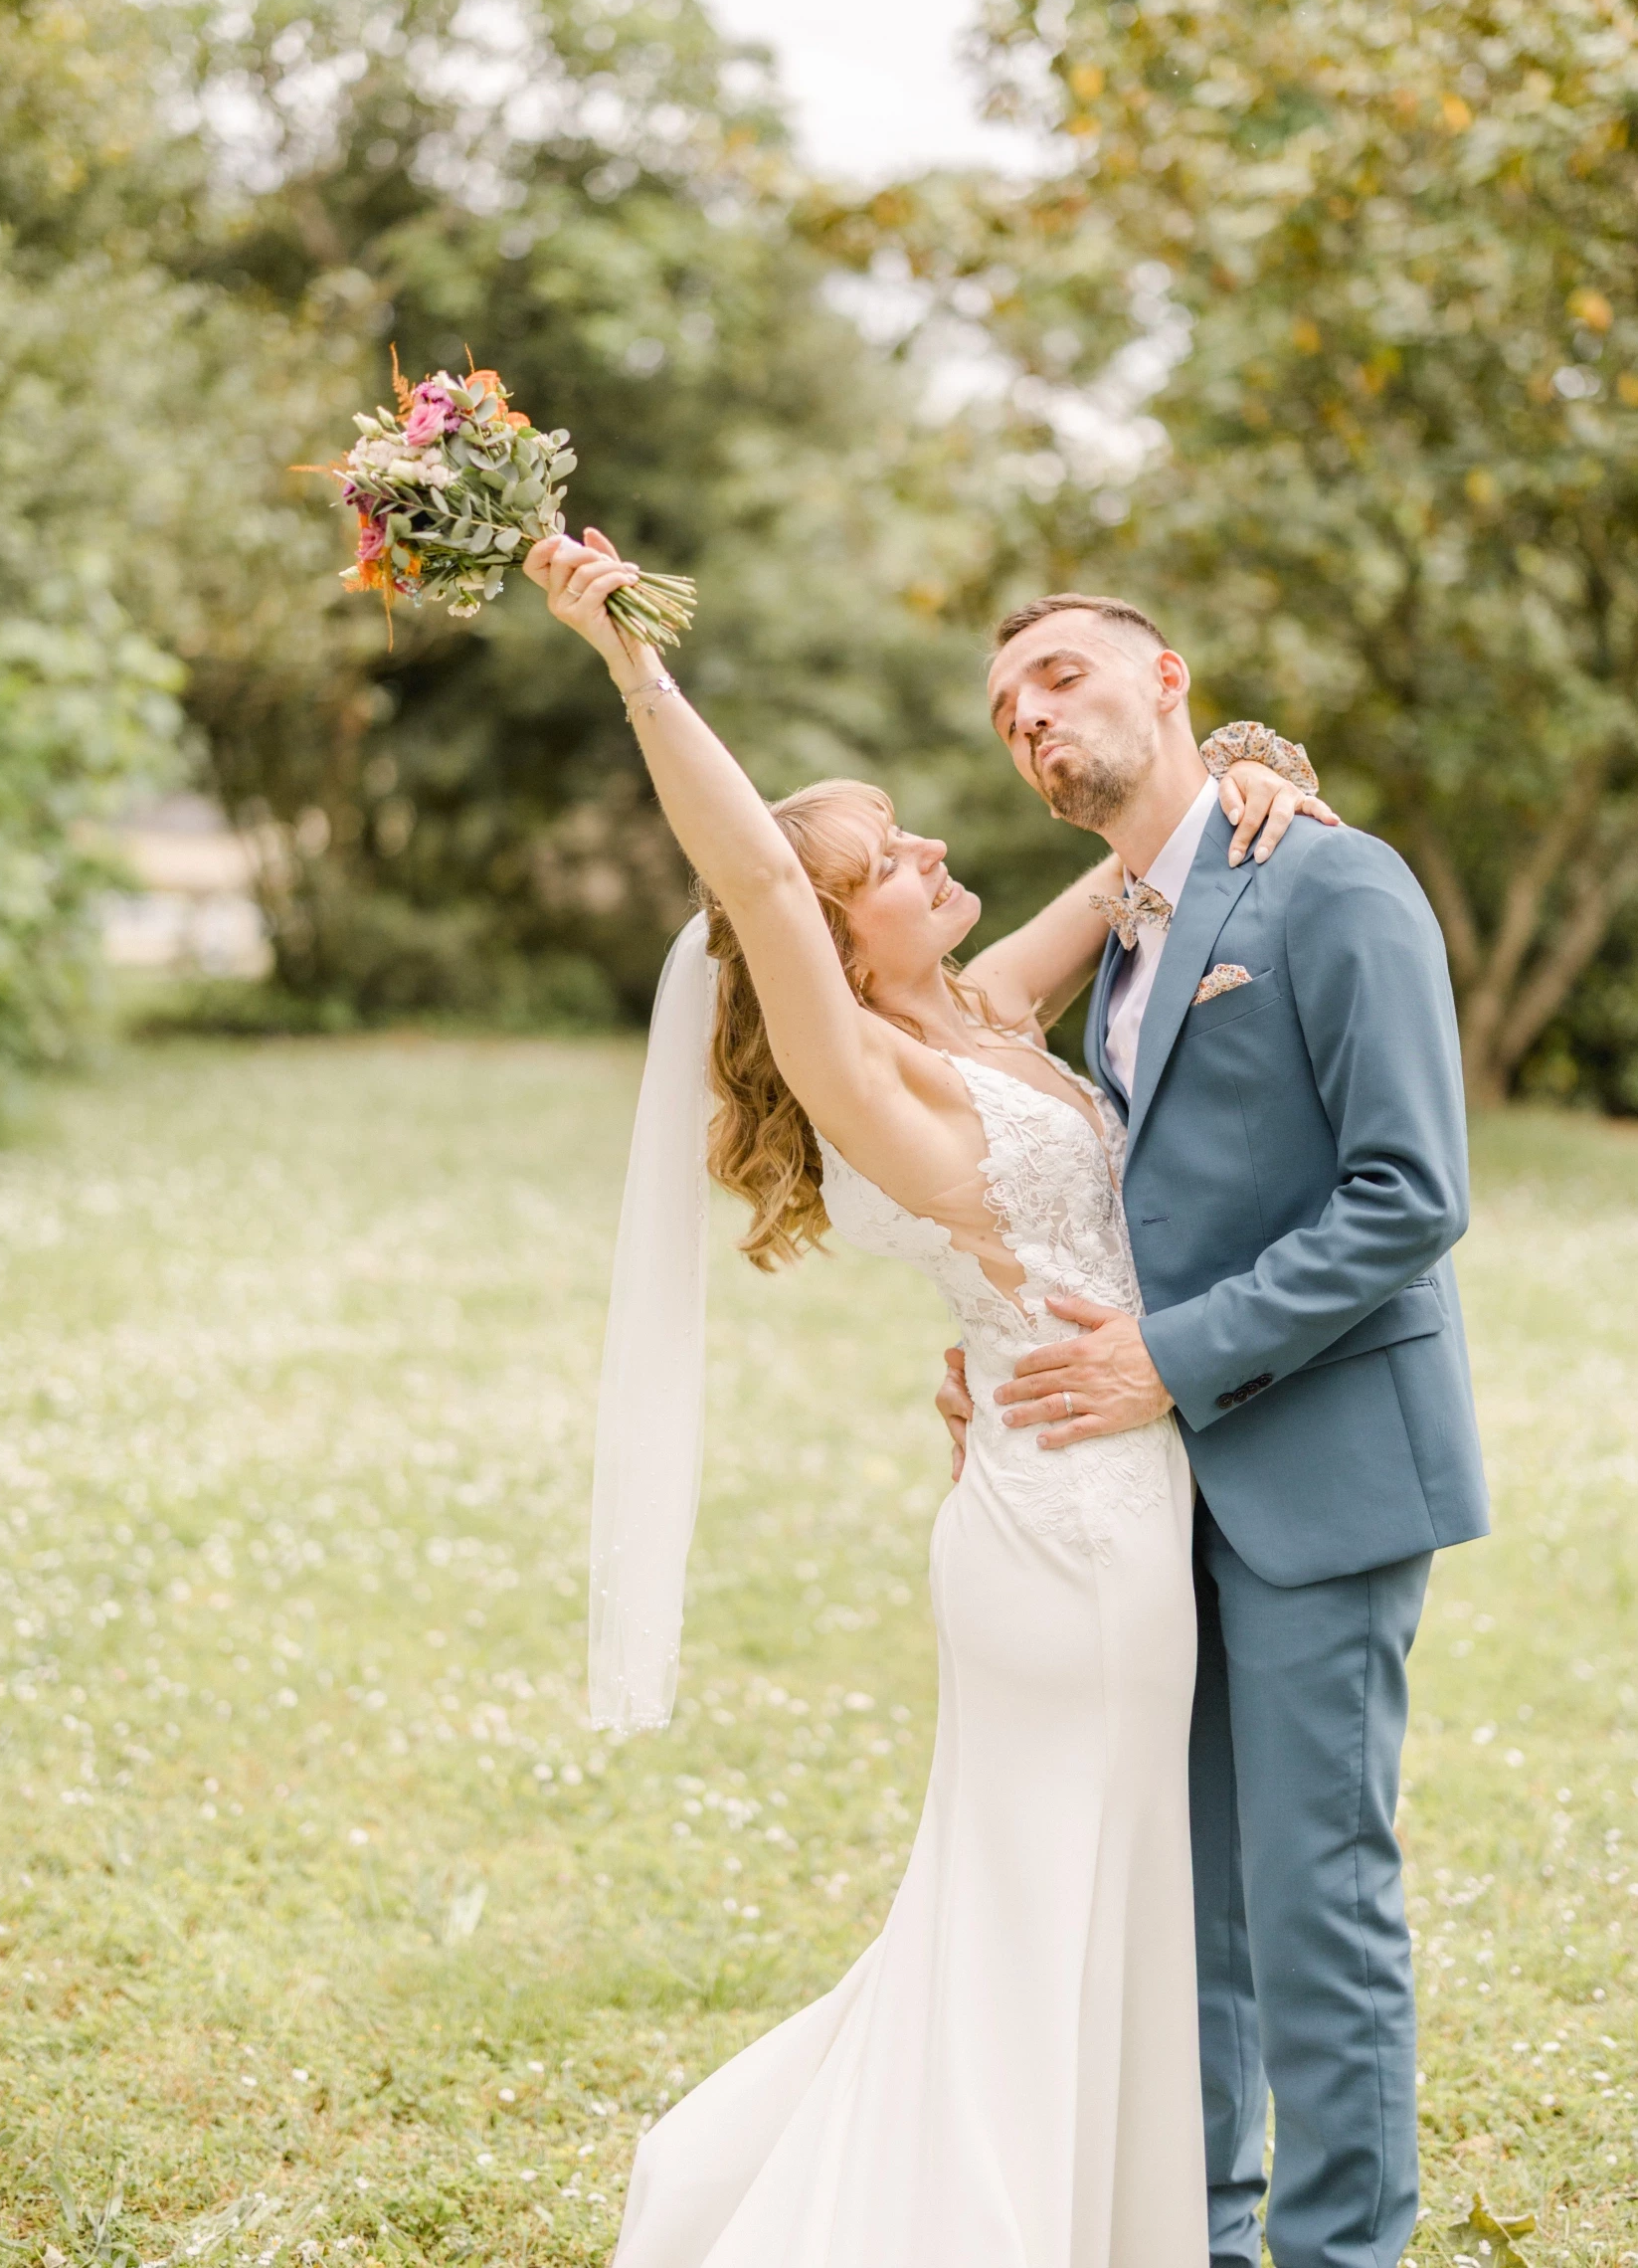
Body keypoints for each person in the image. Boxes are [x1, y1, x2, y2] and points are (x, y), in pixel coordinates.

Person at [525, 526, 1333, 2268]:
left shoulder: (978, 1013)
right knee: (1041, 1900)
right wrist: (629, 659)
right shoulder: (864, 1062)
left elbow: (1148, 870)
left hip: (1114, 1486)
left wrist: (1255, 763)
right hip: (1061, 1525)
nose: (933, 841)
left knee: (1084, 1891)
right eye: (888, 852)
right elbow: (750, 877)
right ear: (826, 927)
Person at [937, 593, 1489, 2268]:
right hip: (1157, 1496)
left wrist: (1167, 1360)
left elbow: (1410, 1194)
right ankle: (1201, 2236)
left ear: (1167, 680)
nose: (1031, 717)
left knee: (1317, 1911)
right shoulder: (1125, 924)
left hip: (1317, 1464)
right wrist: (1002, 1340)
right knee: (1194, 1918)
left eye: (1061, 676)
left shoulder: (1331, 878)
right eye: (1005, 710)